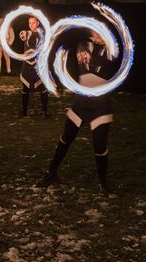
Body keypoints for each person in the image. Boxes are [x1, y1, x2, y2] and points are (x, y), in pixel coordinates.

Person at [36, 31, 116, 193]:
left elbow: (103, 65)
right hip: (81, 102)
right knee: (65, 138)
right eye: (94, 31)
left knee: (100, 144)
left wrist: (94, 53)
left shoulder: (112, 49)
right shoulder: (83, 45)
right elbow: (78, 60)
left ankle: (103, 182)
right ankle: (51, 173)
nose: (97, 34)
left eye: (100, 31)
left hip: (100, 105)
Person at [19, 17, 49, 118]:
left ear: (38, 23)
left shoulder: (43, 35)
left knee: (42, 88)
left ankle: (45, 111)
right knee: (25, 88)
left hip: (38, 65)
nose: (31, 25)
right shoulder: (27, 33)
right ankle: (24, 111)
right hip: (27, 65)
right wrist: (23, 33)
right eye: (29, 23)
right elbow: (22, 35)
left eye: (33, 23)